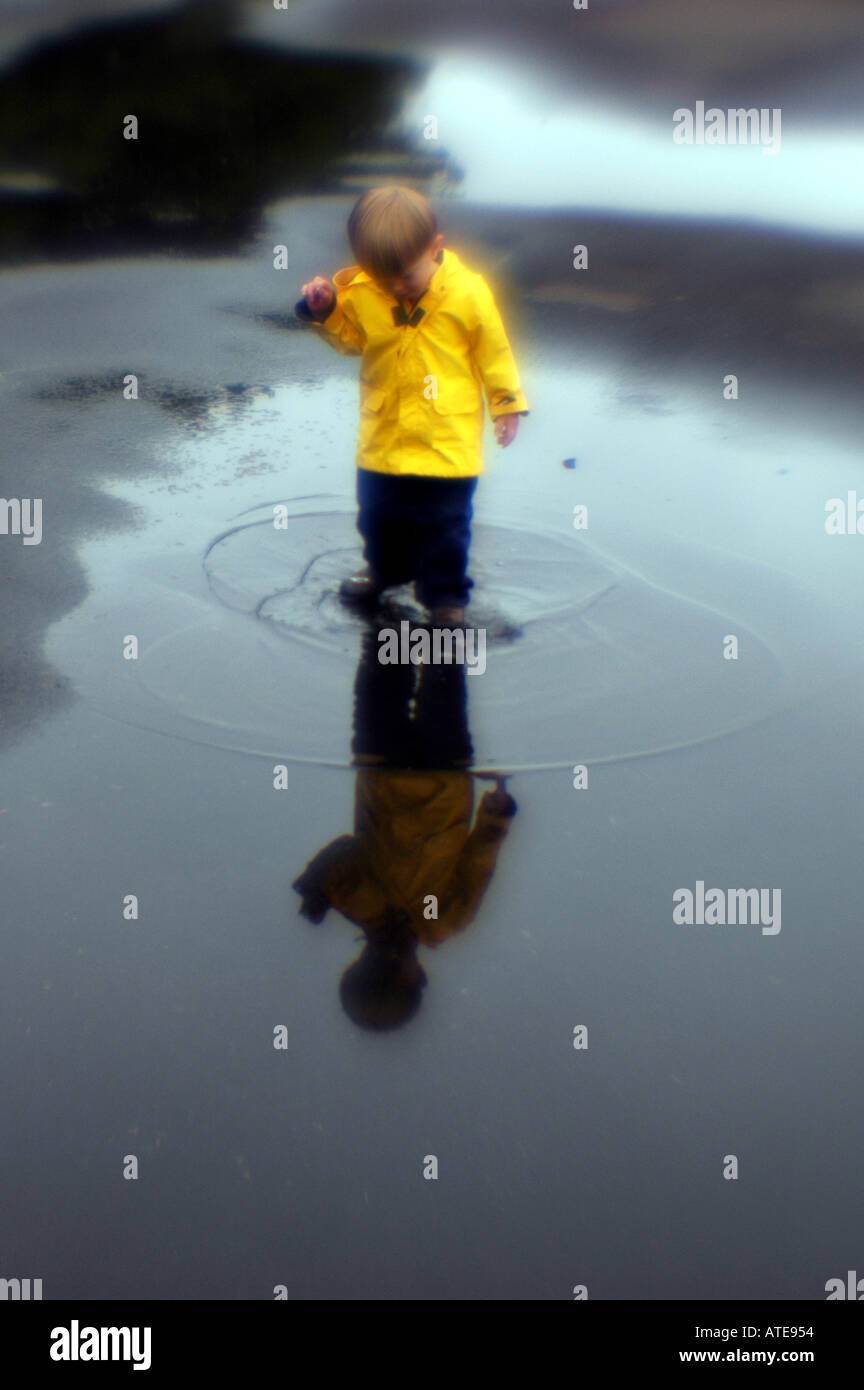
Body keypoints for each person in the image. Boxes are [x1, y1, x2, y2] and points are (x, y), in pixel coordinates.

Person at [295, 185, 529, 625]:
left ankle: (445, 599)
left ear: (434, 248)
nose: (396, 288)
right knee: (379, 517)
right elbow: (352, 340)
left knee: (446, 528)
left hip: (447, 442)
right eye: (384, 280)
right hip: (385, 438)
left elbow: (494, 352)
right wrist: (326, 311)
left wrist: (506, 405)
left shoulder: (468, 293)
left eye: (405, 276)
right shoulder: (365, 291)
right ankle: (386, 571)